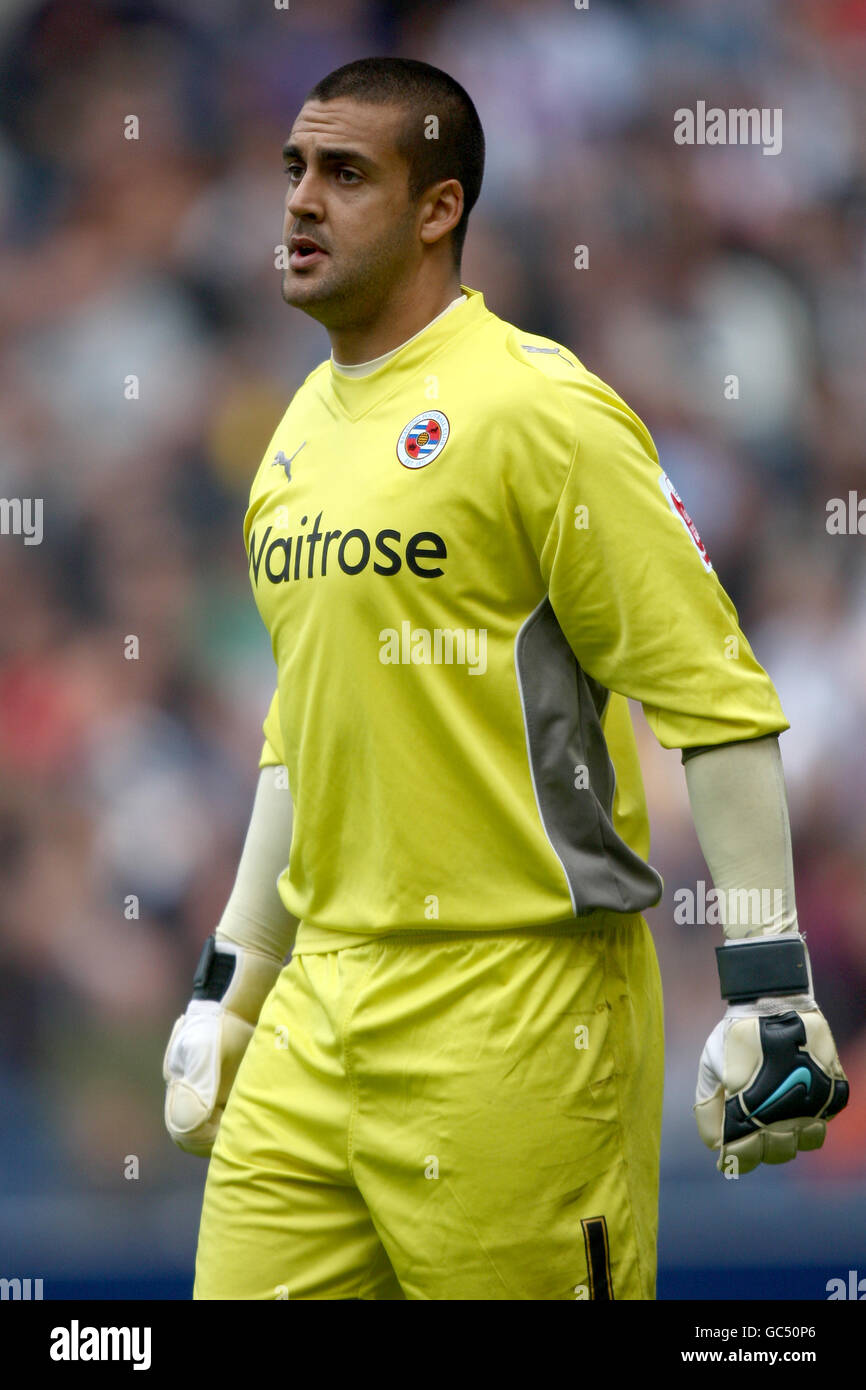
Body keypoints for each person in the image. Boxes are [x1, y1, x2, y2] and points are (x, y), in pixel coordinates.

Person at [163, 57, 849, 1301]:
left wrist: (769, 985)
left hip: (517, 1009)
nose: (299, 203)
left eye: (344, 173)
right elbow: (298, 735)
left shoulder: (544, 411)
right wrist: (230, 980)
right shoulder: (293, 436)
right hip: (319, 1006)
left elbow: (710, 693)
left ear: (438, 208)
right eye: (292, 171)